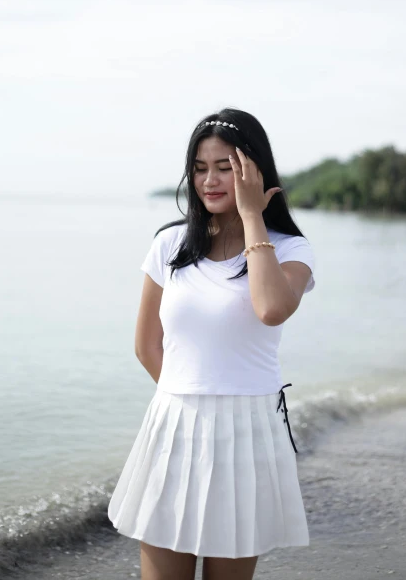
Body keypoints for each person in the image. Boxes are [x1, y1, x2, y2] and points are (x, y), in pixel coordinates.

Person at [107, 108, 317, 580]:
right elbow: (146, 346)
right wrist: (193, 405)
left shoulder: (291, 250)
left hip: (248, 434)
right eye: (200, 168)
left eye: (225, 166)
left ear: (255, 169)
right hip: (175, 428)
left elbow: (270, 309)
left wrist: (251, 216)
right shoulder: (169, 245)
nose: (210, 180)